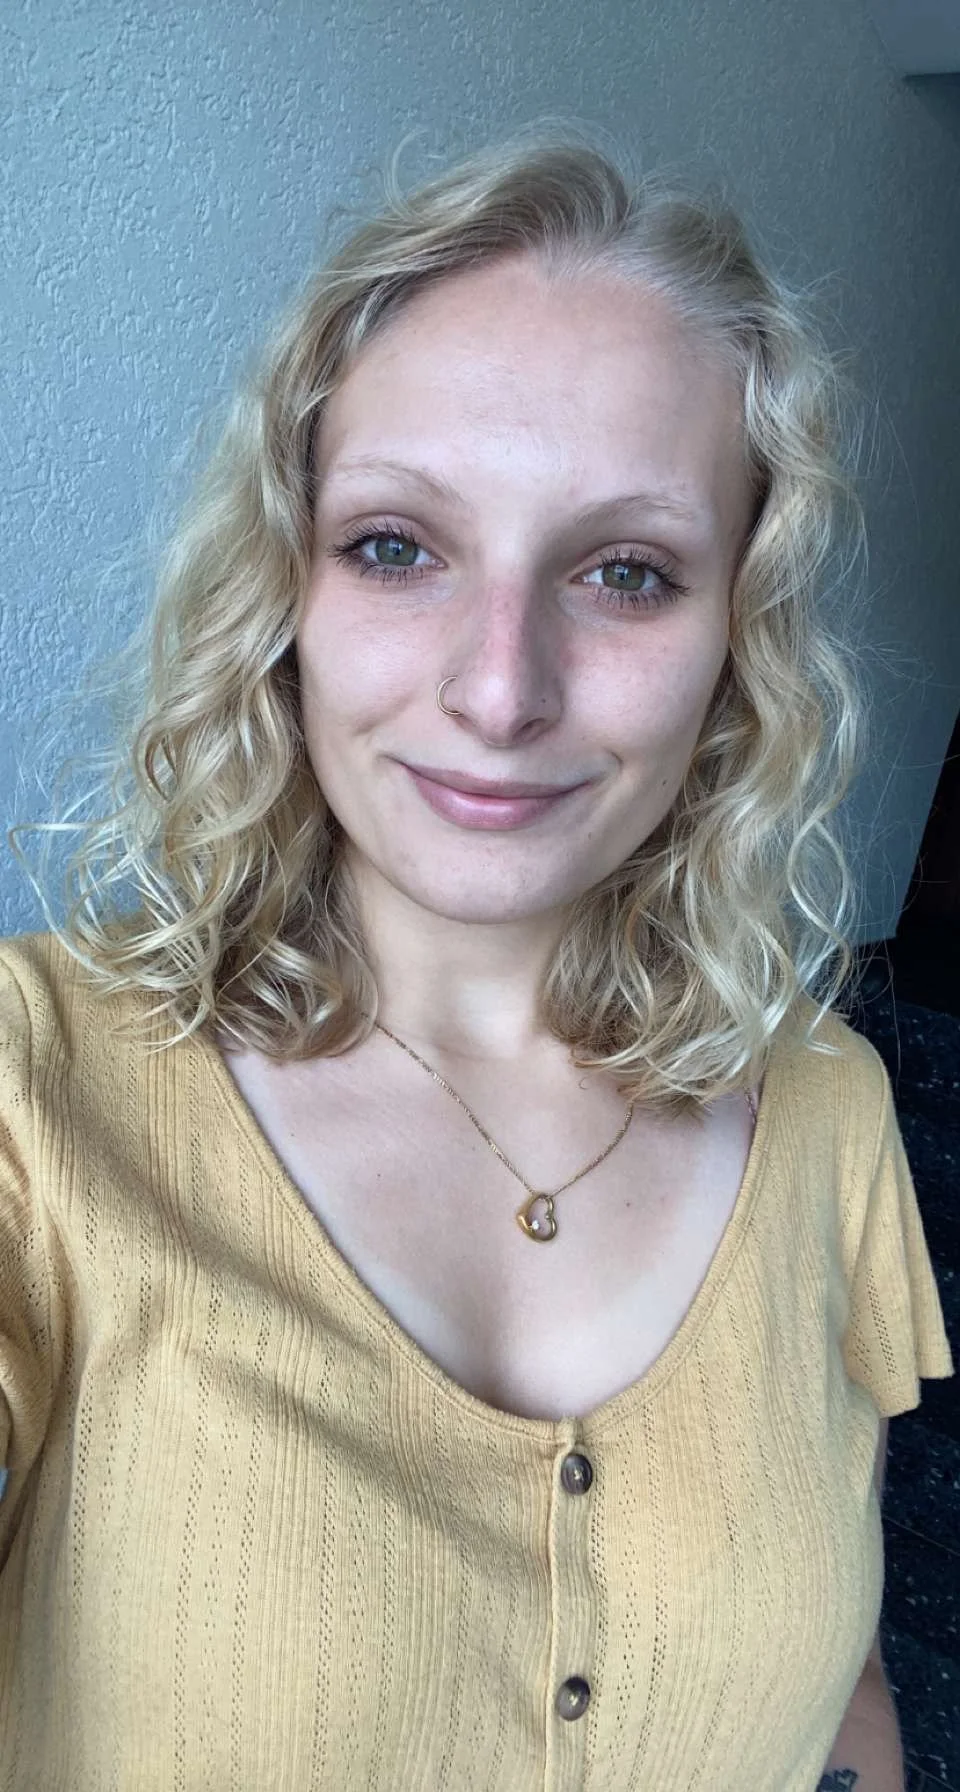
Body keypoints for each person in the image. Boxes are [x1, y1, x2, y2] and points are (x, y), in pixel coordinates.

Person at [0, 121, 953, 1790]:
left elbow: (841, 1694)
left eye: (628, 572)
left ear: (742, 636)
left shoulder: (828, 1113)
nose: (501, 689)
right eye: (397, 546)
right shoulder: (33, 1088)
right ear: (280, 587)